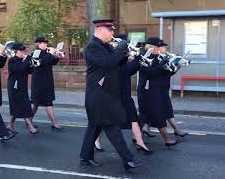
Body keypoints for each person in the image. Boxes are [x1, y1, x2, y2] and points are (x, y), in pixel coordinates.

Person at [79, 19, 142, 170]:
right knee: (111, 126)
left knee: (94, 127)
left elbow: (117, 65)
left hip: (106, 92)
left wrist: (127, 53)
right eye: (110, 30)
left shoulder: (106, 46)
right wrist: (120, 49)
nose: (113, 33)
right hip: (99, 94)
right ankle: (128, 159)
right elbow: (107, 62)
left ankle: (85, 157)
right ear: (100, 30)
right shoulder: (92, 47)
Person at [94, 34, 153, 155]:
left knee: (133, 118)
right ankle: (96, 140)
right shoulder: (112, 55)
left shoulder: (124, 55)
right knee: (104, 121)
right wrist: (136, 59)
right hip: (113, 93)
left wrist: (139, 61)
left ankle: (140, 142)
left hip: (125, 93)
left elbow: (129, 71)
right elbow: (123, 70)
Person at [138, 37, 188, 147]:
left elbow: (166, 74)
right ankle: (166, 139)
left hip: (161, 89)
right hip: (150, 91)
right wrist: (163, 63)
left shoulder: (159, 57)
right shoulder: (145, 58)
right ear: (154, 48)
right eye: (162, 47)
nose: (165, 48)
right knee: (155, 114)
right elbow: (151, 73)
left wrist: (177, 66)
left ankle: (139, 137)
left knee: (158, 112)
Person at [30, 36, 63, 131]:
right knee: (35, 103)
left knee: (48, 101)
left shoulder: (47, 53)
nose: (45, 45)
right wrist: (51, 54)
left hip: (48, 80)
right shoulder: (35, 53)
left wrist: (57, 56)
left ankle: (53, 123)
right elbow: (41, 62)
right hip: (38, 81)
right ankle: (29, 121)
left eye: (46, 43)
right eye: (43, 43)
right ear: (38, 44)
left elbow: (52, 62)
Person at [6, 42, 38, 134]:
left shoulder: (23, 60)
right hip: (14, 86)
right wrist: (27, 61)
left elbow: (29, 71)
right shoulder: (13, 60)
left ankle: (10, 125)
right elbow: (19, 69)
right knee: (24, 105)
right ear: (16, 51)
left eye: (23, 50)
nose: (23, 52)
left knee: (16, 106)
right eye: (21, 50)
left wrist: (33, 65)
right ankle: (30, 126)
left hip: (22, 86)